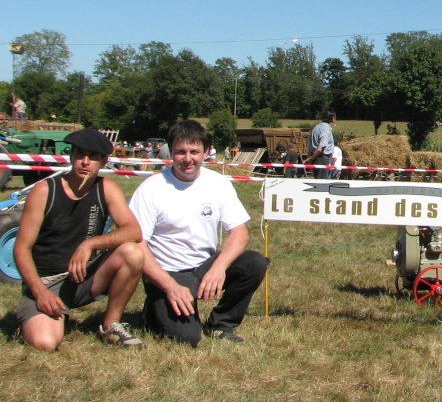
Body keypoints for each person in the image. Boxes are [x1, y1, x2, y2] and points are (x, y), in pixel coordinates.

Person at [129, 119, 269, 346]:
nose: (188, 158)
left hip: (204, 265)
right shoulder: (151, 189)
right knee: (188, 338)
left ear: (206, 152)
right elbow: (137, 245)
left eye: (194, 151)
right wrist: (170, 286)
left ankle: (222, 324)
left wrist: (219, 269)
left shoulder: (218, 183)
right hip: (168, 272)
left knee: (254, 263)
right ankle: (154, 310)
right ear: (170, 153)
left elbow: (240, 233)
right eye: (180, 152)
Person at [13, 128, 145, 350]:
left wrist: (90, 243)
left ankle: (110, 324)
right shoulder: (45, 191)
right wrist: (39, 291)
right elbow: (21, 248)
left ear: (103, 161)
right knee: (45, 343)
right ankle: (40, 313)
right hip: (46, 282)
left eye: (93, 157)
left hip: (82, 277)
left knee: (133, 252)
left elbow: (133, 231)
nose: (85, 162)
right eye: (80, 155)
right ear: (71, 156)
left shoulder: (106, 188)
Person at [304, 111, 336, 179]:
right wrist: (311, 158)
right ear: (333, 119)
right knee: (322, 183)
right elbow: (320, 149)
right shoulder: (326, 130)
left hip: (317, 158)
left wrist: (310, 157)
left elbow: (311, 145)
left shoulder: (316, 127)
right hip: (322, 158)